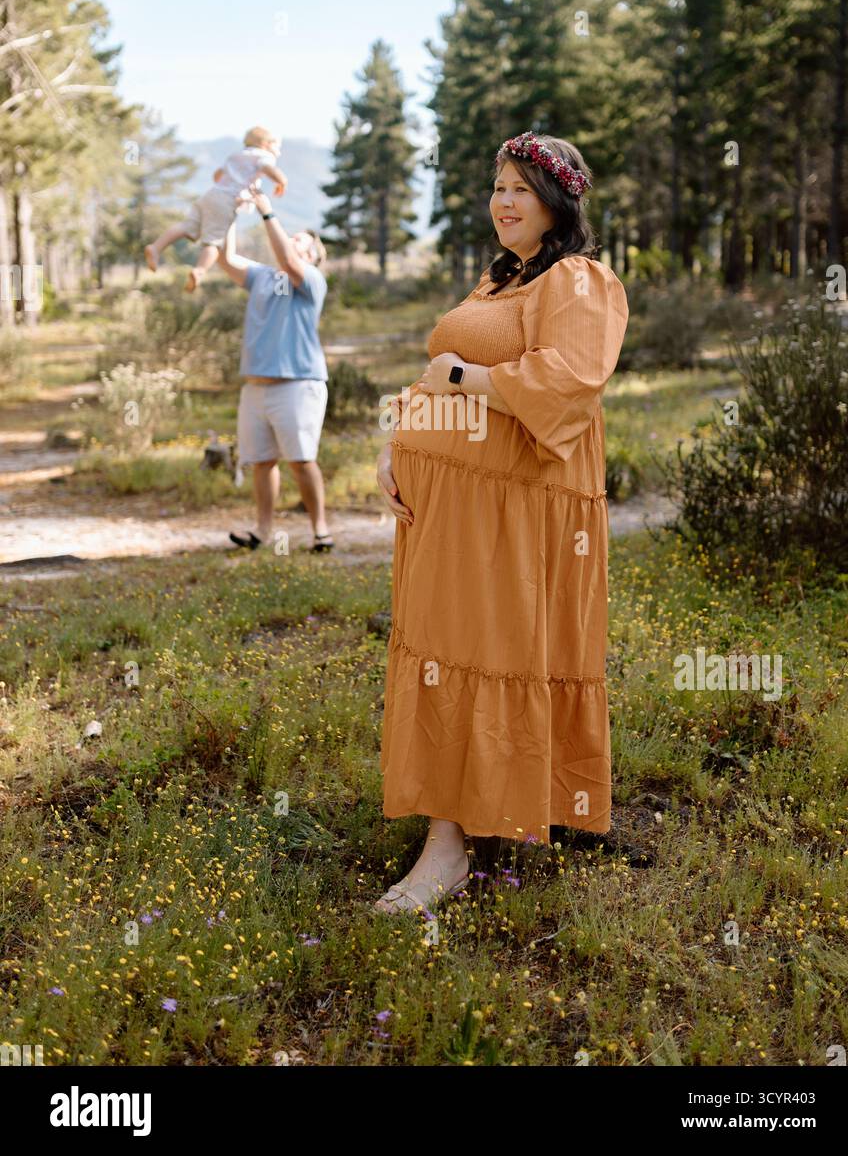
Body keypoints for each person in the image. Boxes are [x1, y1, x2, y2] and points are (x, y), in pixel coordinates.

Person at [373, 132, 629, 914]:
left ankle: (450, 847)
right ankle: (477, 819)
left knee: (482, 649)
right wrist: (396, 445)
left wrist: (458, 376)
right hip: (452, 509)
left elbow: (569, 379)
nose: (504, 202)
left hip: (513, 511)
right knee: (445, 650)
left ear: (557, 203)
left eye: (521, 188)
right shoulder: (499, 281)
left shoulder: (579, 281)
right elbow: (435, 375)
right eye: (497, 188)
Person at [216, 189, 333, 553]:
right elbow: (226, 258)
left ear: (313, 257)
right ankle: (262, 531)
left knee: (301, 460)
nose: (295, 242)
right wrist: (232, 215)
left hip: (298, 385)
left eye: (303, 242)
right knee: (262, 463)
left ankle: (320, 530)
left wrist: (266, 211)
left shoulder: (310, 280)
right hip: (256, 387)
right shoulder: (263, 276)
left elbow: (288, 258)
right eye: (293, 237)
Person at [145, 126, 288, 292]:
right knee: (214, 242)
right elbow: (268, 168)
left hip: (211, 195)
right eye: (277, 146)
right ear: (266, 144)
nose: (279, 152)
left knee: (186, 226)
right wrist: (281, 181)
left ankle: (156, 247)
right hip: (226, 201)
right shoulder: (262, 156)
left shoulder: (236, 156)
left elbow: (217, 176)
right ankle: (200, 270)